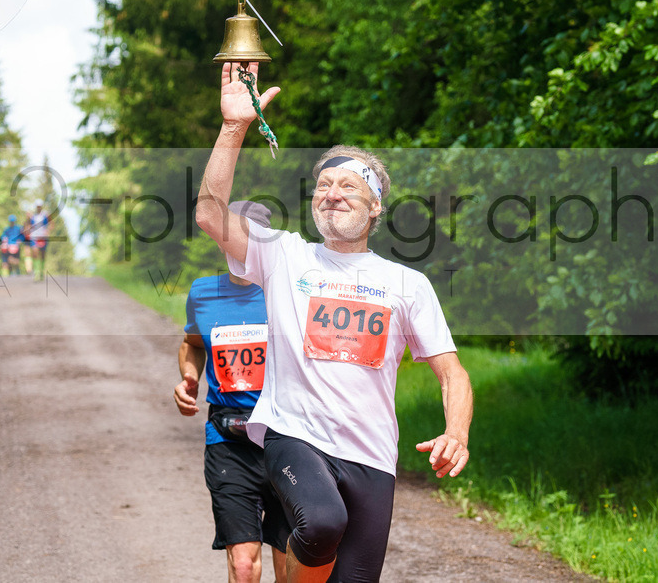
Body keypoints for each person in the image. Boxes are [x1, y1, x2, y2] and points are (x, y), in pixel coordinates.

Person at [195, 63, 474, 583]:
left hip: (371, 457)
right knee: (321, 522)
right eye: (323, 185)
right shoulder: (285, 257)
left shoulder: (408, 285)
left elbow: (453, 374)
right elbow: (211, 215)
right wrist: (234, 128)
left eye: (349, 185)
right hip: (294, 435)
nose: (333, 193)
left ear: (375, 207)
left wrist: (456, 433)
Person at [175, 200, 289, 583]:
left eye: (251, 238)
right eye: (234, 237)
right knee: (243, 564)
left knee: (289, 568)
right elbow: (192, 343)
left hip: (288, 439)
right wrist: (189, 377)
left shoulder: (289, 292)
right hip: (229, 439)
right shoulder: (203, 293)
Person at [26, 200, 52, 281]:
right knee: (35, 252)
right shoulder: (32, 216)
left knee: (43, 254)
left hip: (43, 237)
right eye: (37, 206)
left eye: (40, 206)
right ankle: (36, 273)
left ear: (41, 206)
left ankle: (41, 271)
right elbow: (28, 224)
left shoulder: (45, 215)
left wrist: (48, 231)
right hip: (34, 237)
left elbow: (52, 223)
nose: (39, 208)